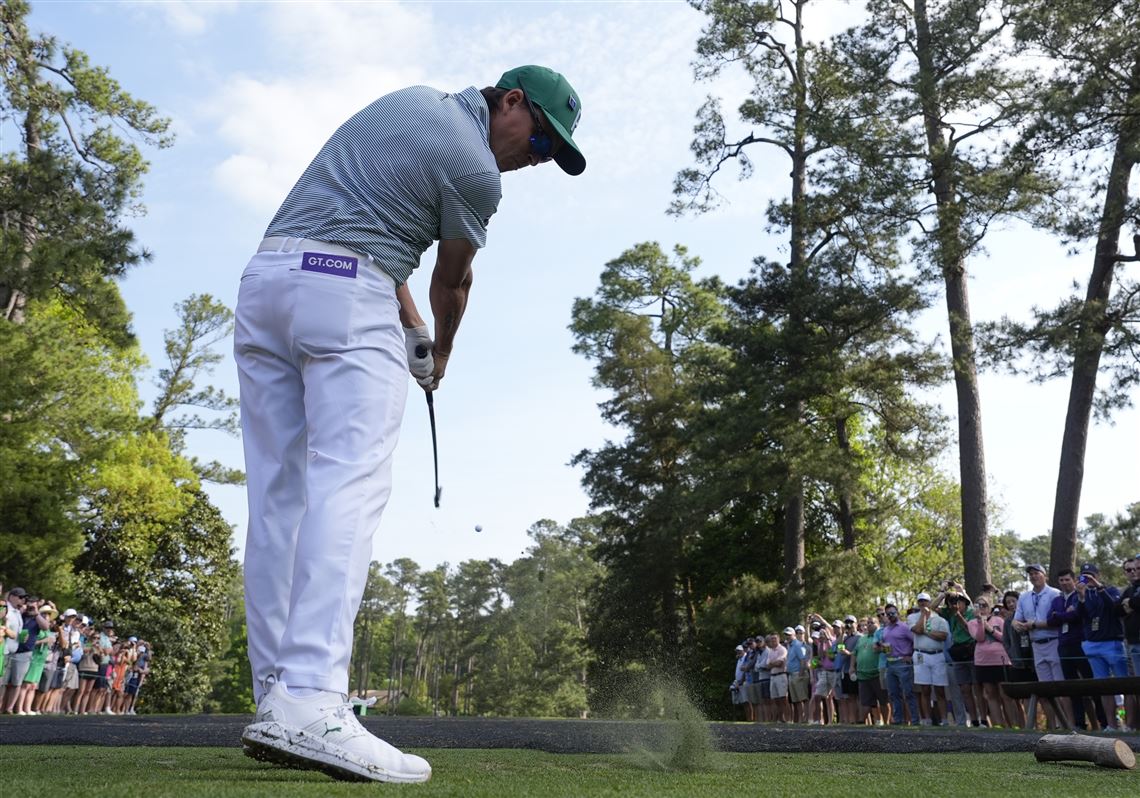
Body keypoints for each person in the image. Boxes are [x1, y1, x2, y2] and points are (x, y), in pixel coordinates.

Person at [233, 65, 585, 782]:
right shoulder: (477, 170)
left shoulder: (408, 104)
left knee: (278, 500)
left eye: (549, 154)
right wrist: (442, 352)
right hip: (343, 297)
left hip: (266, 284)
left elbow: (369, 223)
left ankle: (276, 697)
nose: (537, 159)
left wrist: (411, 329)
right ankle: (311, 696)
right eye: (542, 139)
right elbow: (452, 276)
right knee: (350, 486)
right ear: (510, 102)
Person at [1075, 563, 1131, 732]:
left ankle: (1129, 724)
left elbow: (1115, 607)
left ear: (1097, 575)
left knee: (1124, 685)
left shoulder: (1110, 590)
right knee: (1104, 686)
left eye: (1090, 575)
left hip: (1112, 642)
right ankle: (1111, 725)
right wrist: (1081, 597)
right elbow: (1081, 616)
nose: (1088, 579)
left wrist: (1099, 587)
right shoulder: (1084, 594)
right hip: (1092, 645)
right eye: (1084, 575)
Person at [1049, 568, 1106, 730]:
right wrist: (1061, 615)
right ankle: (1080, 723)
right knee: (1072, 686)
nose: (1064, 583)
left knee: (1091, 684)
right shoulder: (1057, 599)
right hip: (1063, 645)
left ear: (1074, 580)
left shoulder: (1080, 595)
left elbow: (1078, 615)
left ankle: (1104, 722)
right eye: (1061, 580)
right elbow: (1050, 619)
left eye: (1067, 579)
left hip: (1081, 643)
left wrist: (1059, 615)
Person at [1014, 563, 1063, 728]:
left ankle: (1067, 724)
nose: (1033, 576)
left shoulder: (1055, 594)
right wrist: (1016, 625)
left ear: (1045, 575)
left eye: (1037, 573)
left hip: (1053, 641)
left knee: (1060, 685)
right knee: (1045, 689)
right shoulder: (1024, 597)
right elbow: (1017, 618)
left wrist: (1035, 625)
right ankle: (1053, 724)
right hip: (1036, 644)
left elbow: (1057, 621)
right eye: (1031, 574)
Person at [968, 595, 1011, 727]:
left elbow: (1005, 638)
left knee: (1006, 694)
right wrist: (981, 622)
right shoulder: (971, 623)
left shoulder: (999, 620)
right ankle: (998, 724)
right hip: (983, 662)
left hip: (1001, 661)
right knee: (991, 694)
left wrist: (990, 628)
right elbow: (979, 638)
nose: (982, 608)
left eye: (984, 605)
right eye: (978, 606)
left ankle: (1013, 724)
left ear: (990, 608)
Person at [909, 592, 949, 725]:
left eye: (925, 601)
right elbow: (918, 629)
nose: (922, 604)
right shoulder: (912, 617)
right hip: (921, 655)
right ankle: (927, 719)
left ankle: (944, 719)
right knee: (924, 689)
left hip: (937, 655)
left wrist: (926, 632)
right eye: (920, 601)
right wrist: (923, 616)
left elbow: (943, 636)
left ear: (929, 602)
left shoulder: (939, 619)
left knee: (940, 690)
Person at [878, 603, 919, 725]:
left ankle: (915, 720)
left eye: (893, 613)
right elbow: (885, 645)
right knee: (893, 693)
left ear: (898, 613)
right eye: (888, 614)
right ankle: (898, 719)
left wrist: (910, 655)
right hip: (890, 663)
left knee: (908, 692)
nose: (890, 615)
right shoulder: (886, 629)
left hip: (902, 662)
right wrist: (882, 647)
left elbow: (915, 642)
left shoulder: (904, 627)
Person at [1119, 555, 1139, 730]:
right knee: (1134, 685)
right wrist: (1129, 603)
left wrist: (1131, 603)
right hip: (1132, 642)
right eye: (1129, 570)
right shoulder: (1128, 590)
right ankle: (1132, 725)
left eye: (1137, 569)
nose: (1133, 572)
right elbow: (1118, 609)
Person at [785, 625, 811, 723]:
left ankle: (807, 718)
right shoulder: (790, 646)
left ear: (794, 635)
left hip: (798, 674)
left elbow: (803, 659)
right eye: (786, 635)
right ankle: (801, 719)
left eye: (789, 635)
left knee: (804, 698)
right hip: (792, 675)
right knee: (797, 700)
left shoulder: (797, 645)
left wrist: (801, 673)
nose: (787, 637)